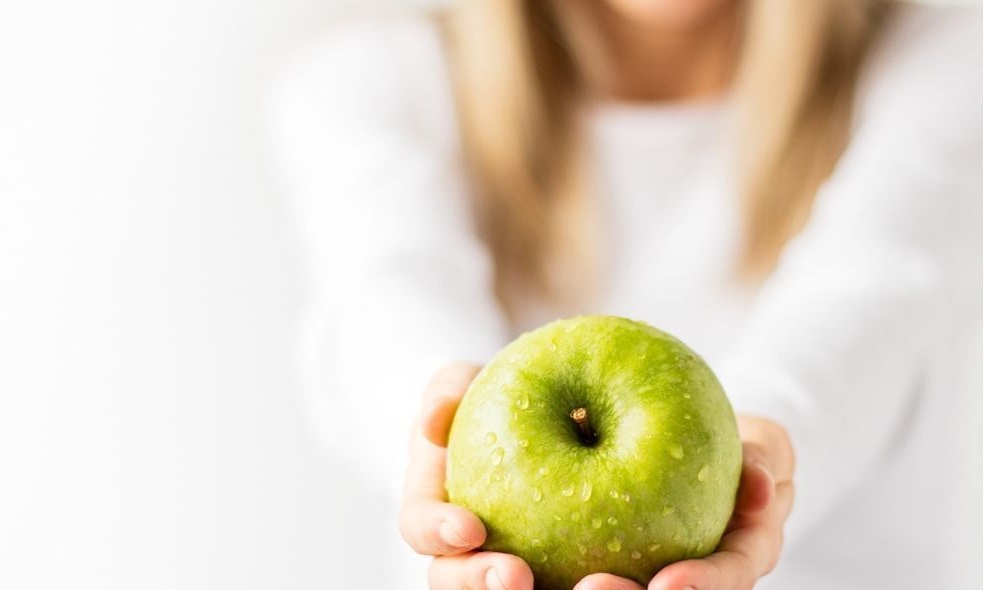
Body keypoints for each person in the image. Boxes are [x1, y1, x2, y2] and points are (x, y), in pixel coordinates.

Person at [270, 0, 982, 588]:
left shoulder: (943, 57)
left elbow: (872, 294)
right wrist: (442, 419)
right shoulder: (375, 79)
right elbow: (385, 303)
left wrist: (757, 454)